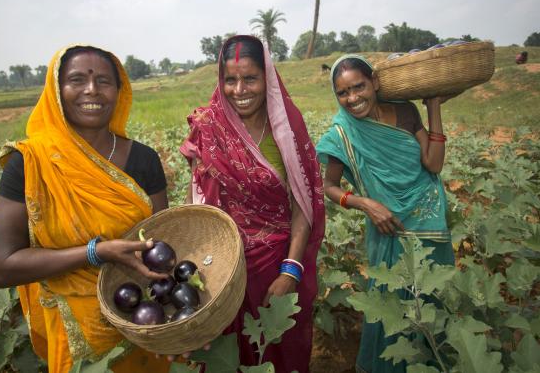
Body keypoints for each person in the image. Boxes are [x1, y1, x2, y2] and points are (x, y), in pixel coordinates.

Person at [0, 45, 171, 373]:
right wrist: (96, 252)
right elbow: (3, 267)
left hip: (144, 321)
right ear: (57, 92)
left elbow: (163, 246)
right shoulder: (30, 164)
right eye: (76, 80)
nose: (91, 90)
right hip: (78, 337)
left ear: (119, 91)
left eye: (103, 81)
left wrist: (179, 320)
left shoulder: (144, 160)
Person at [180, 35, 325, 372]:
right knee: (225, 355)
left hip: (275, 266)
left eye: (250, 78)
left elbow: (302, 207)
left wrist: (290, 270)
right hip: (221, 269)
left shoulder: (286, 131)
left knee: (278, 350)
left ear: (267, 78)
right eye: (230, 79)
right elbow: (195, 202)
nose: (239, 89)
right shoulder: (207, 128)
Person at [315, 55, 455, 373]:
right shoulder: (342, 134)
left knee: (431, 298)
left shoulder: (406, 111)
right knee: (393, 307)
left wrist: (433, 107)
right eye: (343, 93)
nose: (352, 98)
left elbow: (433, 164)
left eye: (359, 87)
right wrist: (366, 204)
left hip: (428, 217)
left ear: (375, 83)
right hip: (388, 226)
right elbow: (329, 185)